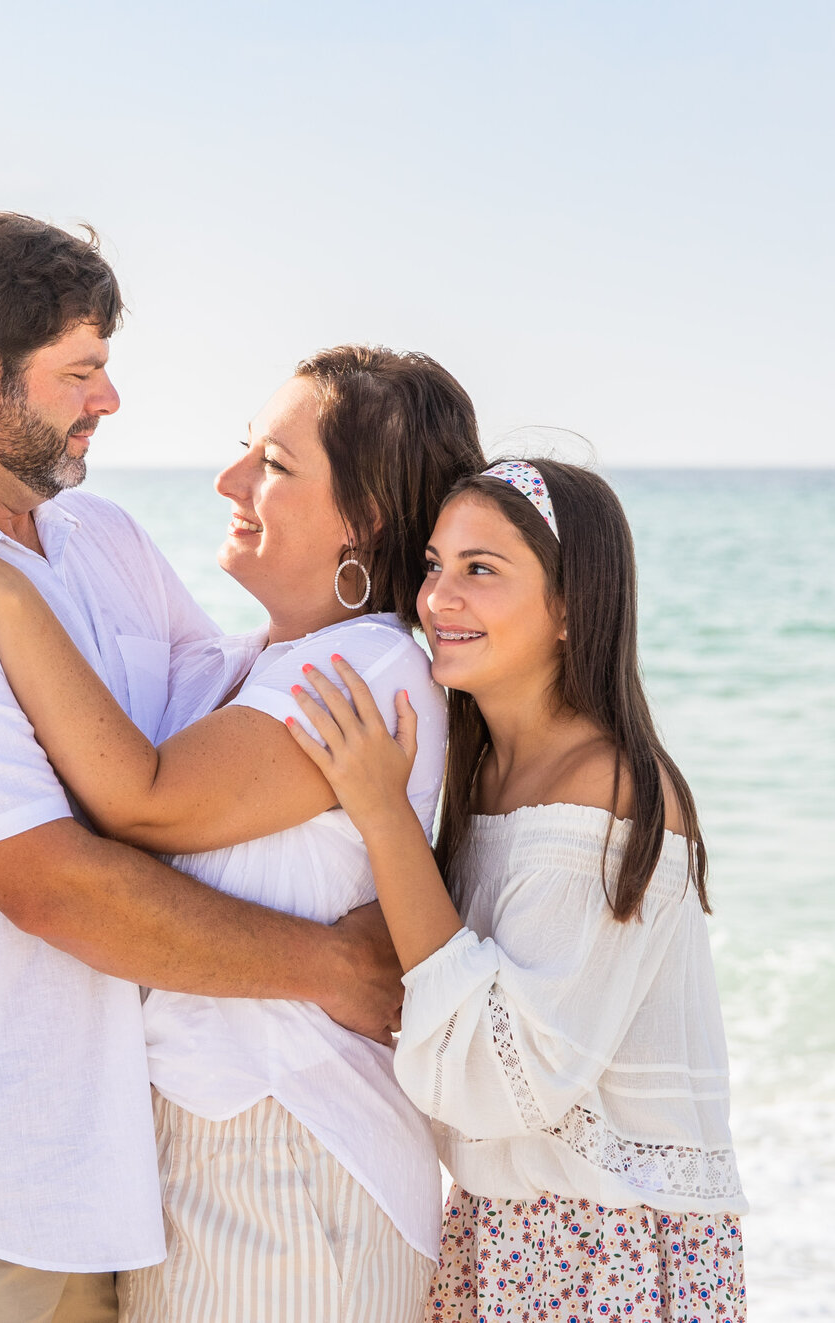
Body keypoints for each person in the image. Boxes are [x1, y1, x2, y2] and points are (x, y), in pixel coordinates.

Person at [0, 215, 408, 1323]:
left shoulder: (101, 537)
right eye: (81, 369)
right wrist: (328, 965)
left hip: (92, 1199)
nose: (106, 399)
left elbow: (219, 734)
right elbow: (49, 880)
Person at [0, 345, 482, 1321]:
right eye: (242, 451)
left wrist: (1, 589)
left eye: (274, 465)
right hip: (231, 1157)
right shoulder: (259, 661)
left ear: (365, 517)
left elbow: (145, 795)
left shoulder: (364, 670)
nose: (229, 481)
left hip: (291, 1162)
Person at [284, 459, 749, 1322]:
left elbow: (504, 1082)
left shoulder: (608, 793)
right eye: (433, 564)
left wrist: (383, 813)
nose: (437, 598)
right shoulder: (481, 771)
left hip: (603, 1248)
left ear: (570, 606)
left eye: (481, 569)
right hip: (499, 1231)